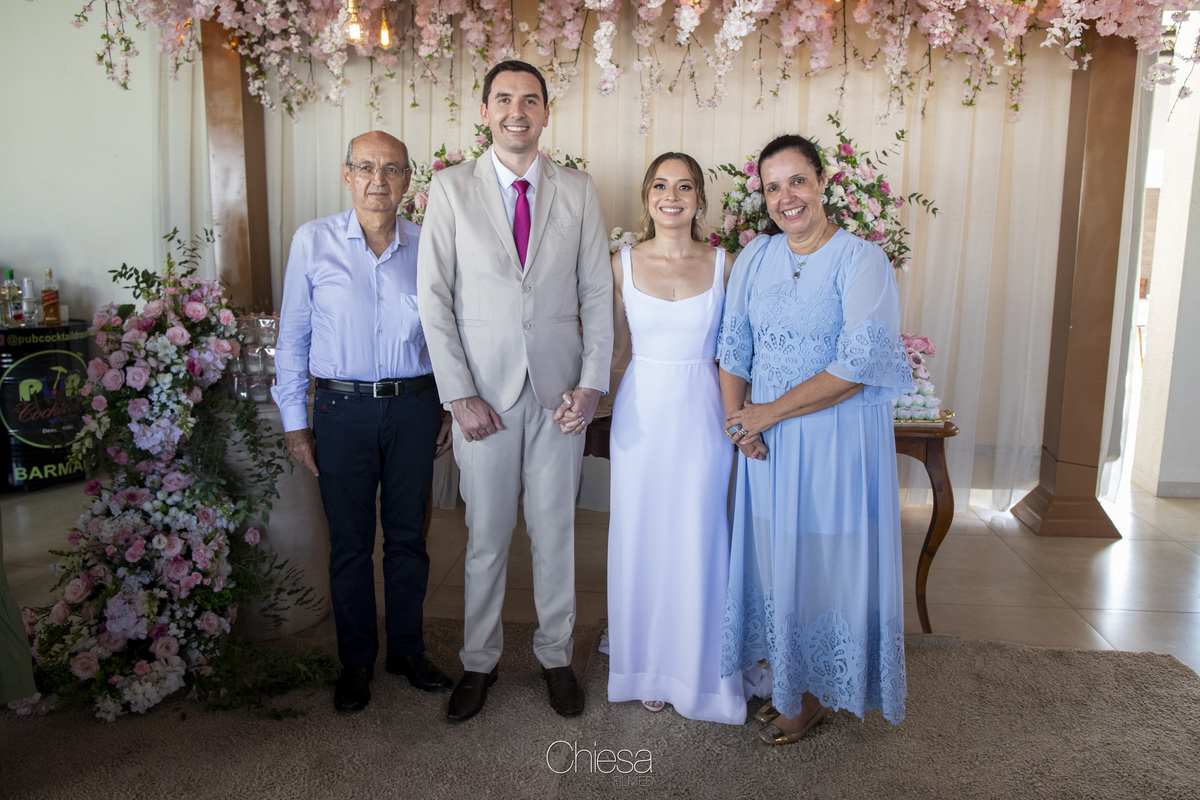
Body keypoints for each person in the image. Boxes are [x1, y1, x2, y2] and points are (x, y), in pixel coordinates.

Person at [417, 61, 613, 723]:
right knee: (486, 538)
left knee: (556, 533)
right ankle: (479, 661)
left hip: (560, 396)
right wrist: (458, 394)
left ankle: (556, 656)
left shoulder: (578, 190)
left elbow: (597, 294)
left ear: (546, 113)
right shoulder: (450, 189)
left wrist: (591, 385)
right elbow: (433, 299)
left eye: (530, 100)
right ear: (485, 111)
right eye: (503, 99)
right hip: (484, 397)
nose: (516, 111)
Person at [717, 134, 913, 744]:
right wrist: (738, 425)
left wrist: (764, 414)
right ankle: (788, 683)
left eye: (797, 181)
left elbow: (856, 367)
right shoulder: (755, 257)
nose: (787, 198)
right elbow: (732, 347)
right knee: (777, 562)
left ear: (823, 183)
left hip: (834, 443)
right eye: (773, 187)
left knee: (823, 563)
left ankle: (816, 693)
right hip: (765, 445)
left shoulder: (862, 260)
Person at [273, 131, 453, 714]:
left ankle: (406, 651)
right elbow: (292, 337)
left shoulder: (429, 245)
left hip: (413, 407)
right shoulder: (313, 241)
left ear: (408, 180)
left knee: (408, 538)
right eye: (367, 167)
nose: (379, 180)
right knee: (350, 544)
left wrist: (450, 404)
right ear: (347, 174)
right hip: (340, 411)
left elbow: (450, 336)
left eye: (392, 169)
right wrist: (295, 421)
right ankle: (355, 662)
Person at [605, 153, 745, 723]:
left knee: (698, 533)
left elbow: (739, 349)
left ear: (699, 200)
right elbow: (611, 348)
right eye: (661, 186)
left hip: (703, 414)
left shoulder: (725, 264)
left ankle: (696, 665)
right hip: (641, 414)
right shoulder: (620, 264)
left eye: (684, 187)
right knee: (640, 535)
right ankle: (644, 665)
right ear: (647, 197)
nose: (672, 196)